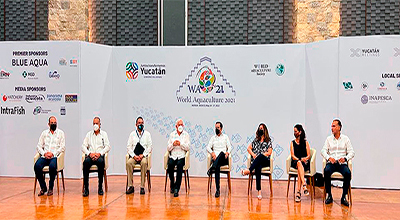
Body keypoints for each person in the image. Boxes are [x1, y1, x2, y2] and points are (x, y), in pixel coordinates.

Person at [321, 119, 355, 207]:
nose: (331, 128)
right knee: (327, 171)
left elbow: (352, 152)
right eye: (331, 126)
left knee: (347, 173)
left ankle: (344, 196)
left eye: (334, 126)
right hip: (332, 162)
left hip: (341, 163)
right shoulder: (328, 139)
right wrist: (329, 157)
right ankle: (329, 195)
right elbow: (323, 151)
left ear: (339, 127)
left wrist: (345, 158)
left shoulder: (345, 139)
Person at [34, 116, 65, 196]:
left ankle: (51, 188)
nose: (54, 124)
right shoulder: (44, 133)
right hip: (45, 156)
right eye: (52, 123)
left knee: (52, 167)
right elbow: (39, 146)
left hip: (54, 157)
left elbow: (62, 147)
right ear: (48, 124)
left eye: (55, 123)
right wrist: (44, 153)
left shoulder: (60, 133)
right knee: (37, 166)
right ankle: (43, 187)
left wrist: (53, 154)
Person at [241, 123, 273, 200]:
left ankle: (249, 170)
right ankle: (259, 191)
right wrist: (253, 154)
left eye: (261, 128)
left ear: (264, 130)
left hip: (265, 160)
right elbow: (249, 148)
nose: (260, 130)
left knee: (261, 156)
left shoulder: (268, 140)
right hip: (257, 162)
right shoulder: (256, 140)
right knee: (258, 167)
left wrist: (261, 155)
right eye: (259, 128)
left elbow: (269, 152)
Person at [82, 117, 111, 197]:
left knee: (101, 163)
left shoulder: (104, 134)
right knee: (85, 163)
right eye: (94, 123)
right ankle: (86, 189)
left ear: (100, 124)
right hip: (90, 155)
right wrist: (89, 153)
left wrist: (100, 153)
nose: (95, 125)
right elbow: (83, 146)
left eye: (97, 123)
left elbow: (108, 146)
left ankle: (100, 188)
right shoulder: (89, 134)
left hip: (99, 156)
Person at [126, 116, 152, 195]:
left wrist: (143, 155)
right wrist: (134, 156)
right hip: (134, 156)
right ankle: (130, 186)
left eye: (142, 123)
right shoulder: (132, 134)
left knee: (144, 163)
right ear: (136, 124)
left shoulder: (147, 134)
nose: (140, 124)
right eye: (139, 123)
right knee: (128, 163)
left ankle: (142, 187)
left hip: (143, 156)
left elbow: (150, 147)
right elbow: (128, 147)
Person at [207, 121, 232, 198]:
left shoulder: (225, 137)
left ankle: (211, 168)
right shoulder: (213, 138)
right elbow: (208, 147)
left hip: (223, 158)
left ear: (221, 128)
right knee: (217, 167)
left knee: (221, 153)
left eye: (218, 127)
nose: (216, 129)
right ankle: (218, 190)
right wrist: (212, 153)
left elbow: (230, 147)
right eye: (215, 128)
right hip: (216, 159)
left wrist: (227, 152)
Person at [167, 119, 190, 197]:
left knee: (180, 166)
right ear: (176, 126)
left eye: (182, 125)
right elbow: (168, 148)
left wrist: (181, 144)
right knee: (170, 165)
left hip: (182, 156)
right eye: (179, 125)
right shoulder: (172, 135)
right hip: (173, 156)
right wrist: (173, 144)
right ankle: (172, 183)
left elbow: (188, 148)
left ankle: (177, 188)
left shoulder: (186, 135)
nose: (180, 126)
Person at [290, 124, 311, 202]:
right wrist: (299, 159)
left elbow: (308, 155)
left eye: (296, 131)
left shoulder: (305, 142)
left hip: (304, 162)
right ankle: (304, 185)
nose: (294, 133)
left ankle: (298, 193)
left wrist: (304, 159)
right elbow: (292, 155)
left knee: (300, 170)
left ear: (300, 132)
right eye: (294, 131)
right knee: (299, 163)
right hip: (296, 161)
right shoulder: (292, 143)